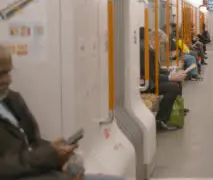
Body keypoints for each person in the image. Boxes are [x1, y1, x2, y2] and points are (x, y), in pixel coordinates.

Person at [0, 44, 125, 180]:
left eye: (8, 73)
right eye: (0, 74)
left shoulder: (12, 100)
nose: (7, 80)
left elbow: (33, 143)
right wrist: (50, 155)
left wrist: (60, 155)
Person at [139, 27, 187, 130]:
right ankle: (161, 119)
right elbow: (153, 75)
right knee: (174, 88)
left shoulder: (146, 48)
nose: (159, 46)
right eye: (159, 43)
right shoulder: (147, 50)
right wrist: (170, 77)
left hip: (149, 80)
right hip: (148, 84)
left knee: (176, 84)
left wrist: (170, 72)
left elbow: (155, 70)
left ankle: (177, 110)